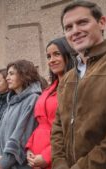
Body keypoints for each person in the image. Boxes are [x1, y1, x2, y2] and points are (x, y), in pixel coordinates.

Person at [51, 1, 106, 169]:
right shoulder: (67, 78)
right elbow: (58, 127)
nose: (75, 31)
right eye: (68, 27)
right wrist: (60, 164)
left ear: (102, 22)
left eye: (82, 22)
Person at [25, 37, 74, 169]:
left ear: (68, 55)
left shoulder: (76, 86)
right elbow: (41, 125)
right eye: (48, 56)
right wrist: (30, 148)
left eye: (57, 54)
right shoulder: (48, 89)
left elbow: (72, 130)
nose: (51, 60)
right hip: (36, 156)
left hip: (59, 157)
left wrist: (47, 156)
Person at [0, 59, 41, 169]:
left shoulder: (33, 99)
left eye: (11, 74)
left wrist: (5, 162)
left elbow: (22, 134)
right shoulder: (12, 101)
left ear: (24, 74)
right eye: (8, 74)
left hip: (20, 165)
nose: (7, 78)